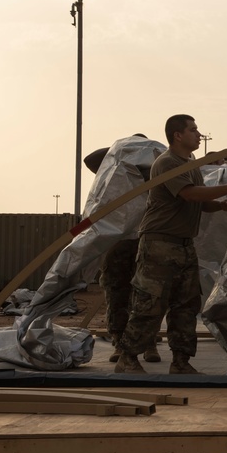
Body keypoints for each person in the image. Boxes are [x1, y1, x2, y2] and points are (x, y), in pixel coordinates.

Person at [114, 115, 227, 374]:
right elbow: (188, 194)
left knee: (186, 305)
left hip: (183, 245)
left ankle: (181, 361)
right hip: (160, 244)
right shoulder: (167, 163)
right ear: (178, 135)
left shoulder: (190, 165)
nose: (198, 134)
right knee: (150, 302)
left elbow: (198, 201)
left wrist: (221, 204)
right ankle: (128, 357)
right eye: (193, 129)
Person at [83, 137, 160, 364]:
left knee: (147, 296)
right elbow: (91, 159)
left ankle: (149, 344)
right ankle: (119, 343)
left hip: (144, 239)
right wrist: (121, 151)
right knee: (117, 294)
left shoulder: (155, 170)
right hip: (117, 242)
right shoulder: (116, 171)